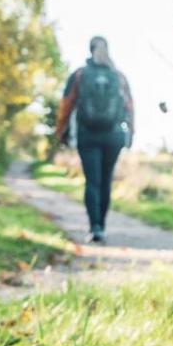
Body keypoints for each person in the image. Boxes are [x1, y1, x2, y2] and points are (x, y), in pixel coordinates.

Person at [55, 36, 134, 243]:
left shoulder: (80, 74)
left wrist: (61, 131)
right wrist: (131, 134)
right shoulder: (119, 76)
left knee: (92, 181)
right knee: (106, 181)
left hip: (87, 134)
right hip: (113, 135)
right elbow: (129, 106)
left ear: (90, 50)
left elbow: (66, 104)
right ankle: (102, 226)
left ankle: (95, 227)